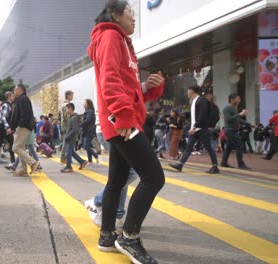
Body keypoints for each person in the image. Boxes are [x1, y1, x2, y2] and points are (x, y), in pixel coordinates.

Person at [88, 1, 166, 262]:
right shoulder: (111, 36)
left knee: (117, 180)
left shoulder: (118, 39)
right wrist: (122, 114)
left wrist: (149, 88)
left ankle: (107, 235)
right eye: (131, 14)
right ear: (115, 14)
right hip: (121, 122)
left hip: (120, 120)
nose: (135, 19)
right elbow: (108, 79)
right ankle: (129, 237)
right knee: (154, 177)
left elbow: (125, 85)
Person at [169, 85, 220, 174]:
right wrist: (185, 116)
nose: (187, 93)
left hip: (201, 129)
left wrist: (195, 127)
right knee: (188, 148)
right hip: (195, 129)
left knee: (208, 148)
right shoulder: (194, 101)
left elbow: (202, 115)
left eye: (188, 90)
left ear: (192, 91)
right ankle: (180, 164)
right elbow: (195, 115)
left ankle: (215, 167)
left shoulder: (201, 100)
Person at [10, 84, 40, 176]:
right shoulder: (21, 99)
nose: (14, 92)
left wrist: (20, 125)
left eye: (15, 89)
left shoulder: (23, 99)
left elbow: (25, 114)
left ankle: (33, 163)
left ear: (20, 90)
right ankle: (23, 170)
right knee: (21, 148)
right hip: (24, 127)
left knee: (15, 147)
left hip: (23, 127)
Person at [219, 93, 251, 169]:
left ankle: (224, 162)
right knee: (239, 145)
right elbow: (228, 118)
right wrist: (239, 114)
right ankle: (241, 164)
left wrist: (249, 124)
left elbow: (237, 119)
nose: (239, 100)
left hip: (232, 130)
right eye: (237, 98)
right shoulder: (227, 108)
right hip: (230, 130)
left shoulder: (234, 108)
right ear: (232, 100)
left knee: (229, 147)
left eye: (239, 99)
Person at [60, 103, 89, 173]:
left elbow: (75, 129)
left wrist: (67, 136)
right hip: (70, 138)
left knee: (68, 153)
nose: (66, 110)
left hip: (70, 138)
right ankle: (82, 162)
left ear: (70, 108)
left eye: (66, 109)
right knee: (71, 152)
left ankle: (69, 167)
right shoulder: (71, 117)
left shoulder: (74, 118)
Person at [80, 99, 99, 164]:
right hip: (86, 131)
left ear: (88, 104)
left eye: (85, 102)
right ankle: (90, 161)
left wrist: (80, 124)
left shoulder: (90, 112)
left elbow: (87, 120)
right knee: (88, 146)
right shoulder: (87, 111)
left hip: (89, 131)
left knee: (86, 146)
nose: (83, 103)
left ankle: (96, 156)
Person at [60, 90, 74, 163]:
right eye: (72, 95)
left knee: (66, 142)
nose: (72, 97)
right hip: (67, 126)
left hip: (65, 126)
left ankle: (65, 158)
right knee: (66, 143)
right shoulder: (67, 104)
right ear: (68, 96)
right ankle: (63, 158)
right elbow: (67, 116)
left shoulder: (64, 104)